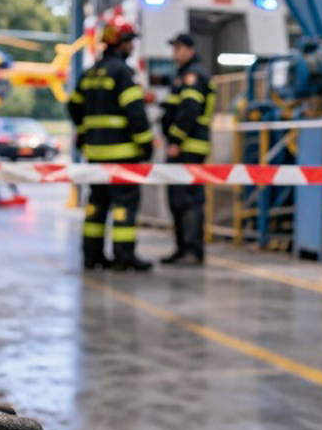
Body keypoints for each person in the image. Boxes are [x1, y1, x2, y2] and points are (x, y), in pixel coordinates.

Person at [68, 21, 154, 272]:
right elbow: (135, 112)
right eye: (130, 41)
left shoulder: (91, 72)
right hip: (123, 154)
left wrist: (84, 133)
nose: (132, 46)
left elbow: (73, 105)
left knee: (96, 204)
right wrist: (145, 143)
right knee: (124, 206)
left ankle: (91, 255)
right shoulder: (122, 73)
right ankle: (123, 257)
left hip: (95, 155)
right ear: (121, 43)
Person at [159, 33, 213, 265]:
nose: (175, 54)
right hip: (182, 147)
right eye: (174, 49)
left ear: (190, 50)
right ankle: (182, 249)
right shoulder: (181, 76)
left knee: (189, 201)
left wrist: (176, 141)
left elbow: (189, 110)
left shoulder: (194, 76)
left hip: (189, 147)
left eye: (179, 49)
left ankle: (192, 251)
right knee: (178, 201)